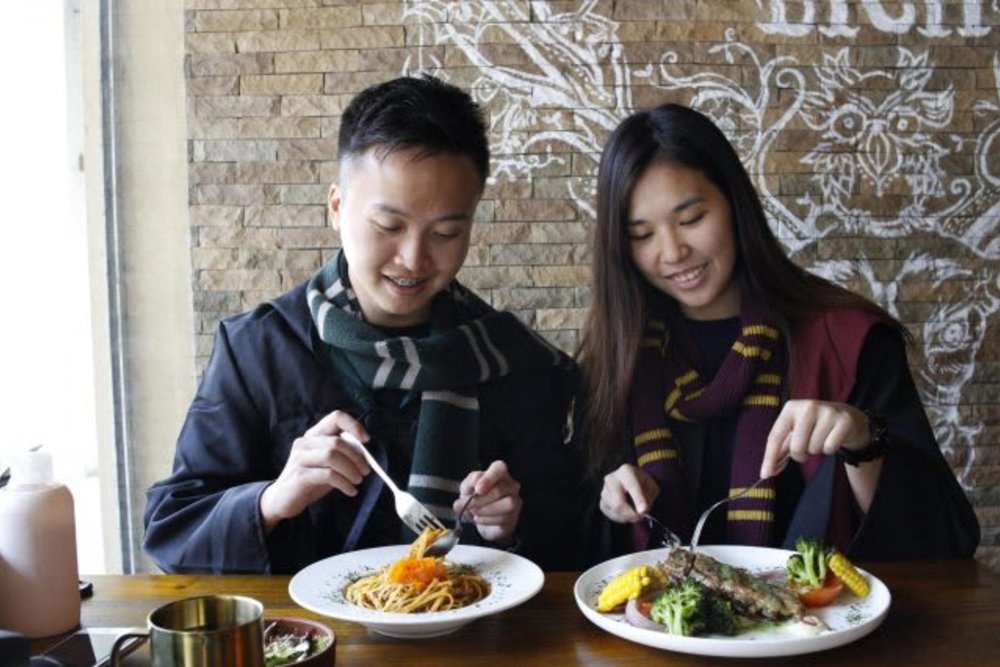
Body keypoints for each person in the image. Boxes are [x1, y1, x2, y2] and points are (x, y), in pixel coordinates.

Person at [143, 75, 580, 574]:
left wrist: (510, 525)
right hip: (303, 643)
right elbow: (172, 532)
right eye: (389, 227)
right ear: (337, 207)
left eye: (446, 232)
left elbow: (569, 537)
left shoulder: (510, 360)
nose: (413, 259)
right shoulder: (258, 351)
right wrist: (273, 500)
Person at [579, 103, 979, 561]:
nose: (672, 251)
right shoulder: (620, 358)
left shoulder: (845, 340)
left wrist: (861, 438)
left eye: (691, 219)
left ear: (734, 203)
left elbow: (945, 541)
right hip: (654, 630)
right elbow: (577, 550)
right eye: (642, 235)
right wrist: (610, 501)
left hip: (819, 626)